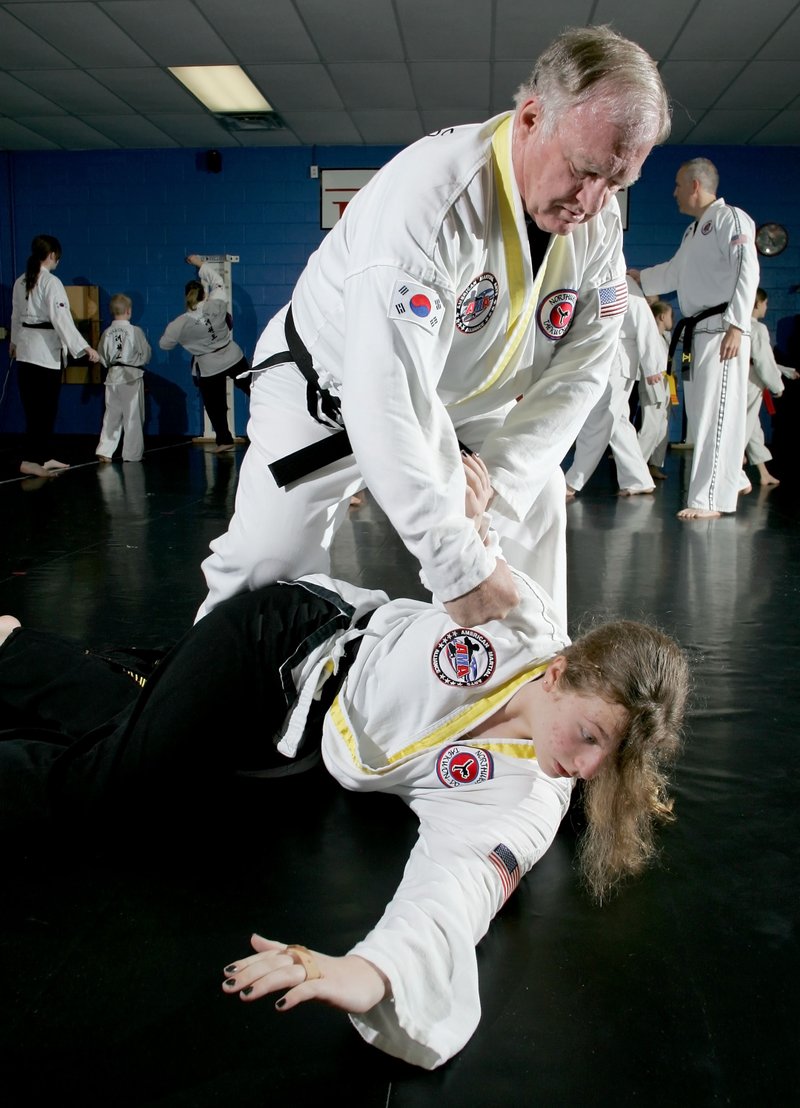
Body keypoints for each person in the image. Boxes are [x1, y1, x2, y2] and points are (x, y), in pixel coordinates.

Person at [0, 457, 690, 1070]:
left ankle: (20, 653)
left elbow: (457, 891)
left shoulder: (530, 796)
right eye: (592, 735)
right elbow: (472, 556)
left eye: (614, 758)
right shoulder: (514, 620)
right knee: (112, 792)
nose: (589, 768)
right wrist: (466, 520)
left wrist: (371, 971)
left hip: (296, 740)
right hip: (285, 639)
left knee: (161, 759)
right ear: (559, 672)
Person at [196, 25, 671, 628]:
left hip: (459, 406)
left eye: (617, 182)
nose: (594, 201)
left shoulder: (598, 225)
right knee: (267, 566)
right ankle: (195, 701)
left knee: (537, 501)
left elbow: (583, 369)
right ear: (530, 118)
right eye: (584, 170)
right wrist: (458, 568)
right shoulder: (433, 197)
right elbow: (385, 393)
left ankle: (519, 692)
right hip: (328, 398)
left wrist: (492, 485)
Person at [629, 158, 760, 520]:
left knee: (715, 416)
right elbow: (674, 273)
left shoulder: (729, 218)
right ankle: (731, 480)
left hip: (722, 330)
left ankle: (708, 500)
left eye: (677, 185)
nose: (673, 192)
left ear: (695, 186)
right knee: (701, 414)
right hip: (697, 333)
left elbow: (747, 267)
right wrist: (641, 278)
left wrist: (737, 324)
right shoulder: (694, 231)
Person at [9, 234, 100, 478]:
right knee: (43, 410)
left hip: (27, 351)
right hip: (43, 355)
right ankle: (30, 459)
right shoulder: (51, 282)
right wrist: (84, 348)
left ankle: (42, 457)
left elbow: (15, 316)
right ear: (52, 255)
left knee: (37, 409)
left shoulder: (20, 281)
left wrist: (14, 342)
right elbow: (62, 320)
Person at [564, 277, 660, 497]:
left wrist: (653, 366)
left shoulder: (618, 282)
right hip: (608, 360)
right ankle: (638, 479)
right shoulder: (603, 280)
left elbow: (642, 320)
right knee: (617, 423)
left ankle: (573, 480)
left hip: (615, 363)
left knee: (597, 421)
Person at [159, 268, 250, 453]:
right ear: (205, 294)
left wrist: (188, 340)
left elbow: (164, 345)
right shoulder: (217, 304)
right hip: (233, 355)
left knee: (215, 406)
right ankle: (276, 421)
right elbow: (217, 280)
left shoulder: (180, 323)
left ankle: (224, 440)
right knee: (253, 389)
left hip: (210, 366)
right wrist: (200, 264)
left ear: (186, 297)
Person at [745, 287, 793, 487]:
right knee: (744, 428)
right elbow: (763, 362)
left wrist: (785, 371)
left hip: (742, 382)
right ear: (757, 304)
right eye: (765, 303)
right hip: (751, 384)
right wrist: (777, 387)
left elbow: (759, 360)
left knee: (753, 428)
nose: (767, 307)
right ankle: (734, 470)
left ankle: (763, 473)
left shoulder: (737, 326)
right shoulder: (758, 329)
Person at [95, 294, 151, 464]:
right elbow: (146, 354)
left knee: (112, 415)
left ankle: (105, 451)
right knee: (133, 416)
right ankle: (132, 455)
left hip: (112, 376)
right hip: (131, 377)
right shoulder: (135, 331)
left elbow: (101, 356)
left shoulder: (107, 332)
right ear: (129, 311)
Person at [638, 299, 675, 480]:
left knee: (662, 429)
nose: (672, 320)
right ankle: (636, 468)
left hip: (666, 385)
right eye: (670, 316)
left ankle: (653, 465)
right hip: (652, 384)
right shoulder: (649, 336)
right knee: (650, 429)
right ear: (661, 316)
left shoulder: (664, 338)